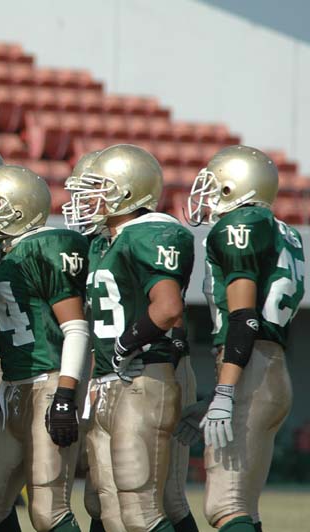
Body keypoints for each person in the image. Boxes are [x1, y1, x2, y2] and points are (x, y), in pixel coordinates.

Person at [64, 144, 194, 532]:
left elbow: (169, 308)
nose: (88, 199)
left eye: (98, 188)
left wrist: (128, 342)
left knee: (147, 508)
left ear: (128, 190)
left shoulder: (152, 232)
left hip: (143, 374)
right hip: (111, 380)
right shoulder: (105, 242)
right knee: (109, 509)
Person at [180, 145, 302, 532]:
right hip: (273, 371)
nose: (207, 194)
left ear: (234, 186)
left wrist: (225, 391)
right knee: (246, 506)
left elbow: (244, 319)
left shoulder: (240, 225)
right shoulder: (284, 231)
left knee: (224, 505)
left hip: (249, 367)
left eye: (215, 185)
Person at [0, 165, 90, 532]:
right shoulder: (0, 255)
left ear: (19, 208)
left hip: (49, 383)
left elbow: (76, 328)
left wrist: (65, 395)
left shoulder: (46, 247)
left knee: (47, 511)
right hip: (13, 390)